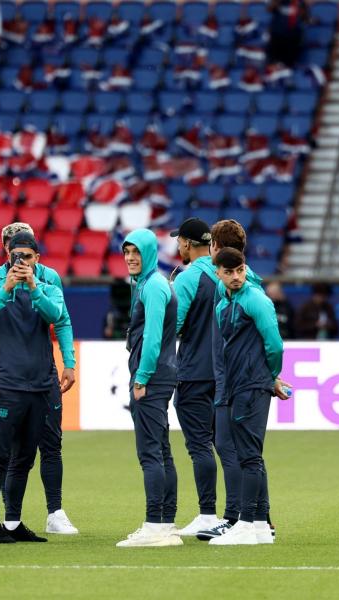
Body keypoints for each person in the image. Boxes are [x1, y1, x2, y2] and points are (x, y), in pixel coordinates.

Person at [0, 232, 65, 544]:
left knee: (24, 458)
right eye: (16, 256)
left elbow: (58, 316)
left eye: (27, 256)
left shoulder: (49, 287)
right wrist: (5, 290)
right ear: (8, 256)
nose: (21, 262)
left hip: (39, 385)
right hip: (6, 382)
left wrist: (34, 289)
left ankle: (12, 522)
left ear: (38, 259)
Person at [0, 223, 78, 535]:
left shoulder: (49, 278)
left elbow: (63, 320)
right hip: (11, 377)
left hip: (43, 375)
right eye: (11, 247)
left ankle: (54, 511)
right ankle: (10, 516)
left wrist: (68, 362)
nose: (17, 255)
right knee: (13, 449)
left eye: (23, 248)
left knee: (51, 444)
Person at [209, 247, 289, 545]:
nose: (235, 277)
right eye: (228, 272)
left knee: (249, 457)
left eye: (239, 270)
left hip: (252, 386)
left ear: (245, 268)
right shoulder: (222, 306)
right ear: (218, 273)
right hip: (237, 385)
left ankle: (245, 523)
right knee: (246, 455)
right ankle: (257, 525)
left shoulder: (256, 299)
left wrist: (270, 378)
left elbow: (275, 345)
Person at [116, 228, 181, 547]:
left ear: (149, 253)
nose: (130, 258)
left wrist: (141, 377)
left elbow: (153, 337)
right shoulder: (151, 283)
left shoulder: (153, 286)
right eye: (126, 252)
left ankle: (155, 525)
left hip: (152, 376)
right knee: (162, 450)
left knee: (150, 452)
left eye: (136, 252)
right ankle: (165, 523)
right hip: (162, 372)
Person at [168, 218, 224, 537]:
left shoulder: (188, 278)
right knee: (225, 445)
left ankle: (206, 513)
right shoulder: (225, 273)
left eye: (180, 242)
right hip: (223, 372)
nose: (178, 246)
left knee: (199, 445)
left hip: (192, 373)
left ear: (188, 244)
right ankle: (241, 514)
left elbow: (174, 325)